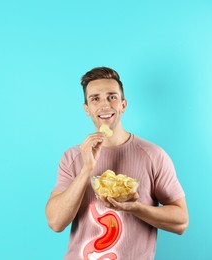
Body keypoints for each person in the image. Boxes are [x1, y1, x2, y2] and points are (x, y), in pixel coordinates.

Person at [45, 67, 189, 260]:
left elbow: (181, 222)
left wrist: (135, 208)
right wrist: (87, 169)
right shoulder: (72, 157)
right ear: (87, 109)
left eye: (112, 97)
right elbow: (55, 222)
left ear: (123, 105)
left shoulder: (153, 155)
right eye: (95, 98)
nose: (105, 105)